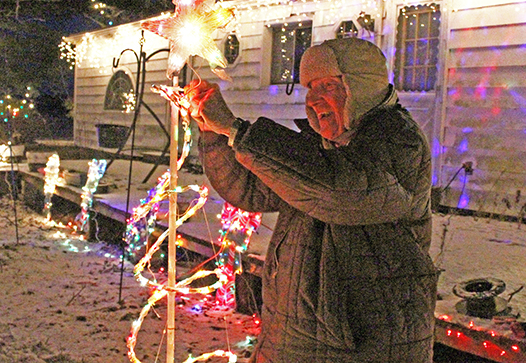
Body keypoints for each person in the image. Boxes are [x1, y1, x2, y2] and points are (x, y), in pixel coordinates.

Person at [185, 37, 438, 362]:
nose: (313, 99)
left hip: (357, 348)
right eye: (309, 87)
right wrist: (215, 132)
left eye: (329, 86)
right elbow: (247, 188)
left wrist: (238, 131)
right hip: (293, 338)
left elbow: (340, 188)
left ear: (361, 87)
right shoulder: (321, 147)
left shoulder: (397, 140)